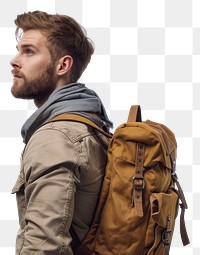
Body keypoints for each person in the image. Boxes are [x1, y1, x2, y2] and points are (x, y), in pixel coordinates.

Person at [10, 10, 112, 255]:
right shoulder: (94, 126)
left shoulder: (55, 137)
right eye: (18, 50)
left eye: (29, 51)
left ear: (63, 65)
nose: (15, 60)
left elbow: (44, 246)